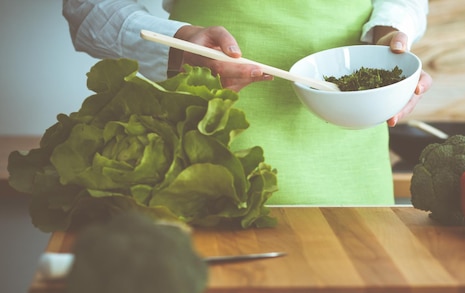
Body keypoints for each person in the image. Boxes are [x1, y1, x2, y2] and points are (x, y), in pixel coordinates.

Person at [63, 0, 431, 206]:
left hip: (350, 172)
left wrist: (391, 33)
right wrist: (176, 42)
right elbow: (87, 7)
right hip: (197, 155)